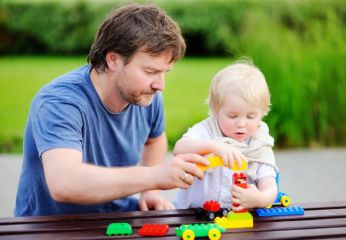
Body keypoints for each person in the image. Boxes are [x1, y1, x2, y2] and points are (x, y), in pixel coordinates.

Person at [14, 3, 208, 217]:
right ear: (113, 59)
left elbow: (155, 139)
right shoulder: (59, 102)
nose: (160, 85)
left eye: (165, 72)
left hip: (116, 218)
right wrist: (154, 176)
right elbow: (65, 183)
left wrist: (149, 191)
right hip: (51, 226)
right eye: (151, 71)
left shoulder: (148, 97)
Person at [173, 61, 278, 211]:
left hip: (241, 221)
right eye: (232, 115)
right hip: (194, 215)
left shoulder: (259, 144)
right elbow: (179, 149)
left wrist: (260, 199)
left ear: (262, 113)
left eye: (250, 116)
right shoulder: (208, 130)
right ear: (216, 110)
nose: (241, 124)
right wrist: (213, 146)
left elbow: (270, 187)